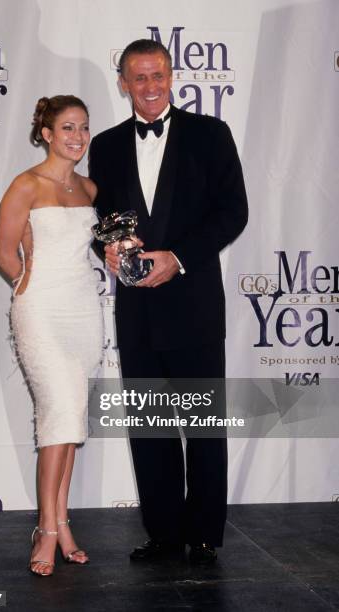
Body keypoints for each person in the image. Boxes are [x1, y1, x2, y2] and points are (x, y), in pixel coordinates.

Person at [89, 39, 248, 565]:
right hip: (136, 310)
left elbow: (233, 213)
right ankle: (162, 533)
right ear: (124, 83)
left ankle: (203, 535)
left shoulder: (211, 134)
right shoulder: (107, 145)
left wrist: (177, 257)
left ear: (172, 75)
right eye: (139, 78)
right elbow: (104, 224)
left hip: (195, 304)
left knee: (203, 426)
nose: (150, 86)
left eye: (157, 75)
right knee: (150, 426)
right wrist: (108, 251)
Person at [0, 95, 103, 576]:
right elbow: (3, 255)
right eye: (67, 128)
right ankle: (46, 528)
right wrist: (30, 288)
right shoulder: (25, 185)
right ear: (46, 134)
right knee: (58, 411)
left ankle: (62, 522)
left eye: (82, 128)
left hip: (85, 312)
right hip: (40, 311)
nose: (77, 137)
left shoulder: (90, 189)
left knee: (70, 418)